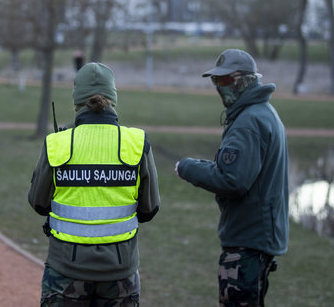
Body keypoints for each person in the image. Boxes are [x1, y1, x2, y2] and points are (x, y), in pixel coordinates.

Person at [28, 62, 160, 306]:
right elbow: (149, 210)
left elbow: (38, 203)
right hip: (121, 275)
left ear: (76, 101)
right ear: (113, 98)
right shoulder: (137, 143)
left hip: (65, 273)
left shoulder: (57, 143)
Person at [175, 49, 289, 307]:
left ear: (245, 80)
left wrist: (187, 168)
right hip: (258, 240)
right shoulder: (264, 113)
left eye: (225, 80)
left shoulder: (248, 122)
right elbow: (238, 170)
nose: (219, 87)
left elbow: (232, 181)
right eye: (216, 81)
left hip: (248, 242)